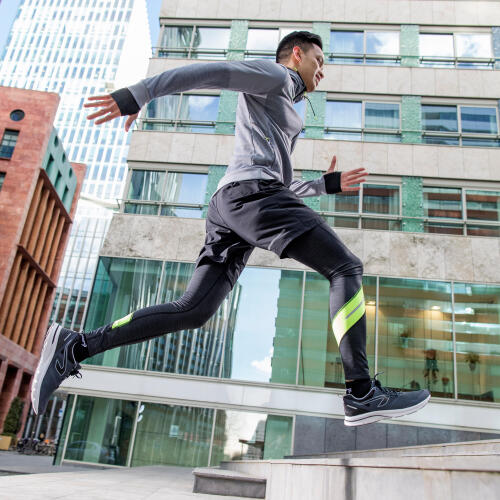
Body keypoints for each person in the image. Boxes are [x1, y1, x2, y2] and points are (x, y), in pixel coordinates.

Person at [31, 31, 430, 426]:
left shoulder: (291, 107)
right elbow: (215, 72)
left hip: (234, 203)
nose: (322, 71)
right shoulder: (275, 76)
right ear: (296, 55)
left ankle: (77, 345)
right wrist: (139, 93)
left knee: (193, 310)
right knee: (345, 267)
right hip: (249, 197)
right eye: (319, 61)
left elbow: (278, 180)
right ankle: (361, 392)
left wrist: (323, 186)